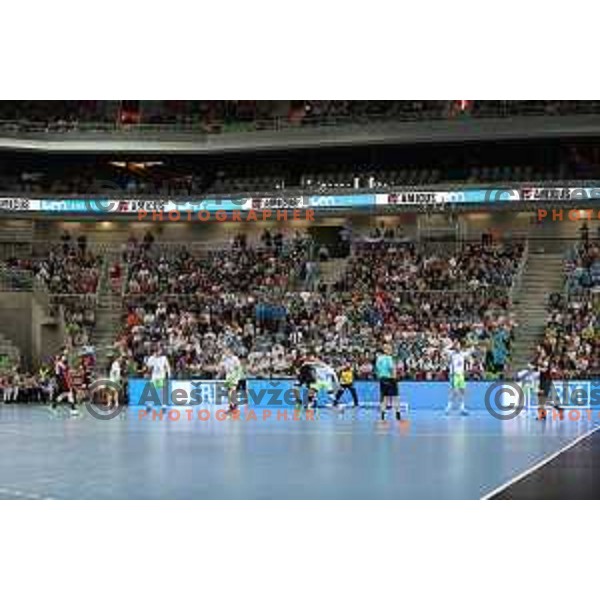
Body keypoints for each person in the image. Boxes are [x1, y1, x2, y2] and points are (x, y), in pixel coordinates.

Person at [444, 340, 473, 416]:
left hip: (461, 376)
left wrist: (472, 344)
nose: (458, 346)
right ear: (455, 346)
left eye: (459, 345)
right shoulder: (451, 353)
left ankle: (462, 408)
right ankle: (448, 407)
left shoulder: (462, 354)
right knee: (454, 392)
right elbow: (444, 350)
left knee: (463, 391)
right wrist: (451, 345)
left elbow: (471, 351)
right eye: (457, 345)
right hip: (454, 375)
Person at [375, 344, 401, 421]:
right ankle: (398, 416)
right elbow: (391, 369)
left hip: (382, 379)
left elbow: (377, 370)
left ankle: (382, 416)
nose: (391, 350)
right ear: (385, 350)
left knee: (385, 398)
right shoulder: (389, 358)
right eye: (389, 349)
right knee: (396, 398)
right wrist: (395, 378)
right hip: (390, 379)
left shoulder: (379, 358)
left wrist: (380, 376)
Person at [218, 348, 245, 413]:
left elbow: (239, 367)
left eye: (227, 351)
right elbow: (221, 366)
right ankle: (232, 406)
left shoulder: (235, 359)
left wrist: (238, 376)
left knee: (232, 391)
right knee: (229, 391)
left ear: (230, 352)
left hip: (234, 376)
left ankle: (233, 406)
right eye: (224, 352)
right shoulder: (224, 358)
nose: (225, 353)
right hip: (228, 376)